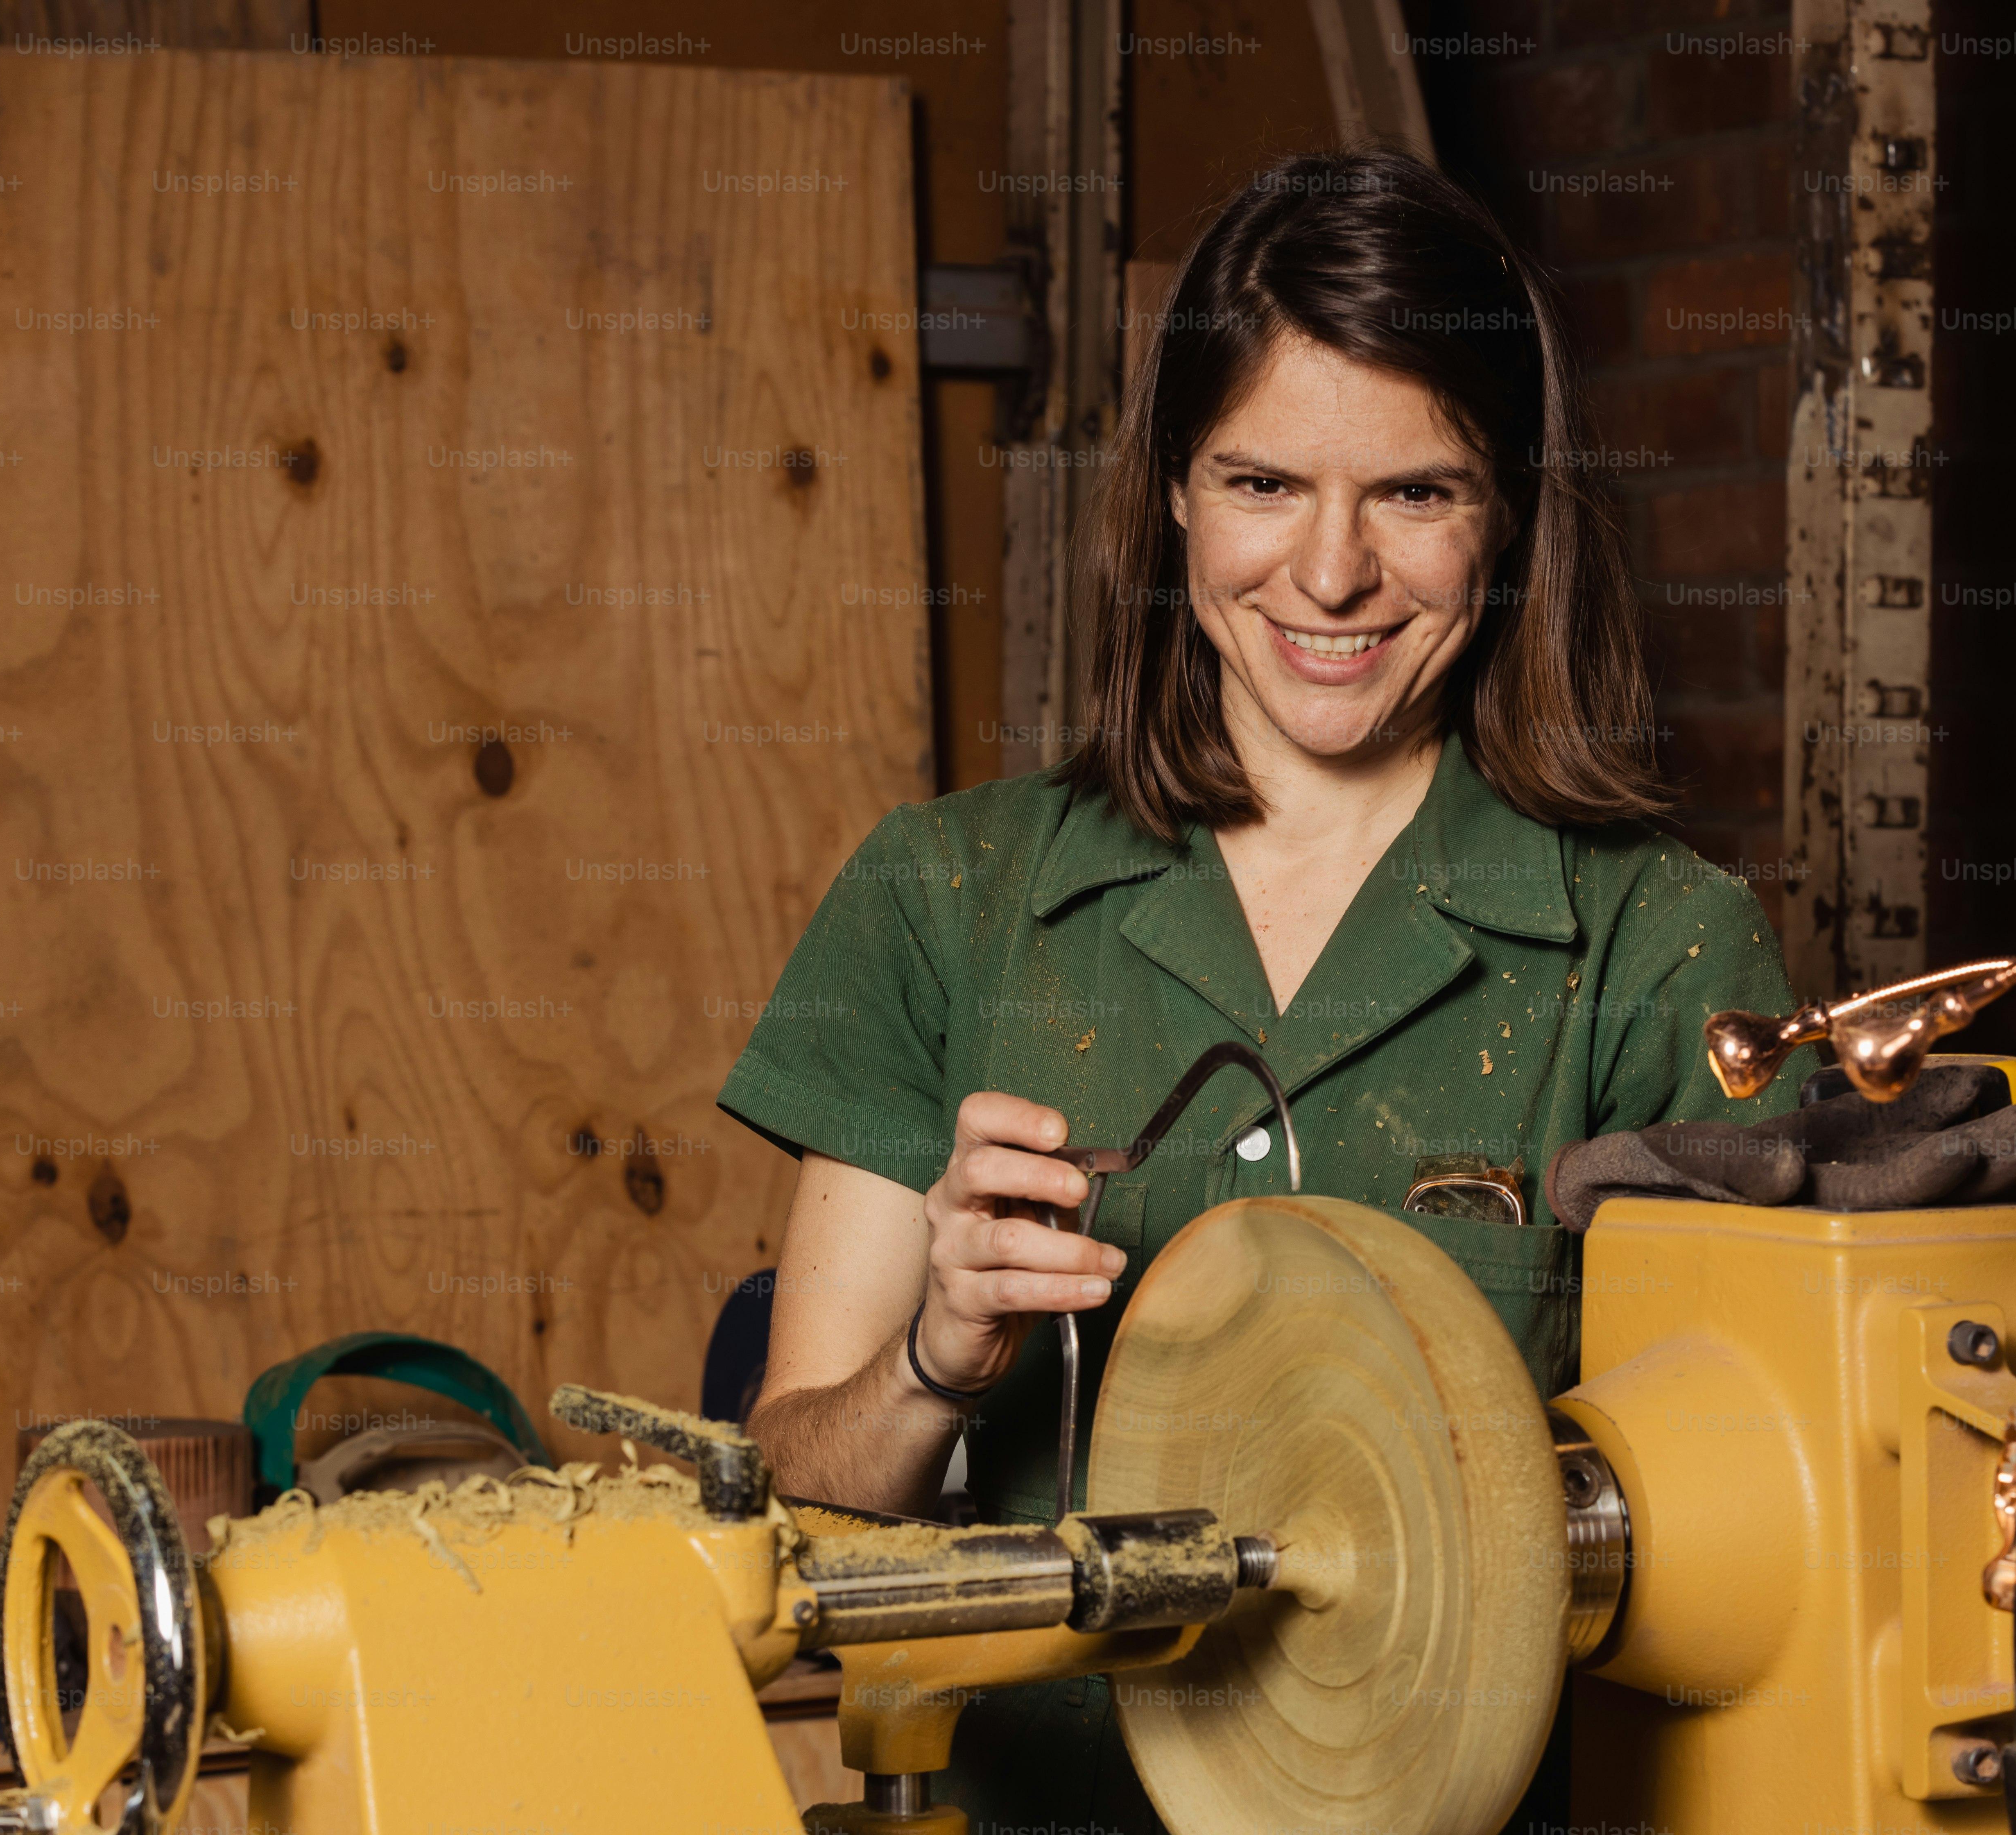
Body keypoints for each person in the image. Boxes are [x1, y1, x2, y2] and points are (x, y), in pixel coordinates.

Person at [717, 144, 1805, 1827]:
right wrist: (936, 1359)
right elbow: (796, 1503)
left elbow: (1764, 1557)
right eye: (1265, 484)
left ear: (1510, 511)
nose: (1332, 574)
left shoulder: (1666, 951)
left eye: (1417, 494)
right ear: (1173, 488)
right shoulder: (944, 894)